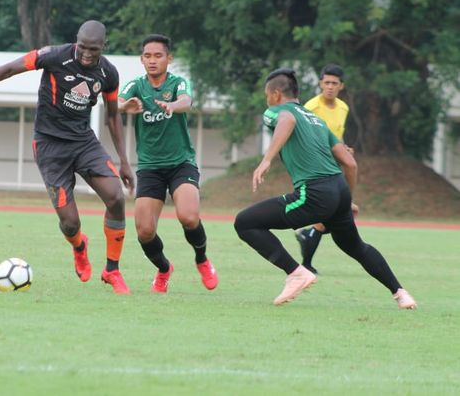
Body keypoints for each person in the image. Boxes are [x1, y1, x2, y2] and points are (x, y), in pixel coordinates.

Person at [0, 20, 135, 294]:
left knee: (116, 197)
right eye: (83, 47)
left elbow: (112, 116)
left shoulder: (108, 73)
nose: (87, 54)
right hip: (50, 146)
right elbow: (8, 69)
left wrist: (123, 160)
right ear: (76, 41)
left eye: (94, 50)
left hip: (84, 143)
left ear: (104, 47)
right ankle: (79, 246)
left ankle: (112, 269)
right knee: (70, 222)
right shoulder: (53, 56)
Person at [233, 68, 416, 309]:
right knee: (354, 246)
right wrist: (348, 200)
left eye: (267, 95)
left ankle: (296, 273)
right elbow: (349, 163)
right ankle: (401, 293)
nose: (267, 100)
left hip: (314, 192)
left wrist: (267, 159)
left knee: (244, 222)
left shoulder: (277, 111)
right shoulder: (316, 120)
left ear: (276, 94)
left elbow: (287, 120)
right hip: (339, 189)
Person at [118, 34, 218, 293]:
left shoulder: (178, 84)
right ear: (142, 59)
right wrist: (124, 106)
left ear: (168, 59)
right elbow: (116, 102)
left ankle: (202, 260)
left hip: (180, 163)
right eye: (148, 56)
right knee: (144, 231)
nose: (152, 60)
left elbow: (187, 101)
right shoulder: (136, 86)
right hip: (150, 167)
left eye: (158, 55)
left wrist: (173, 105)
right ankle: (163, 269)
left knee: (188, 216)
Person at [295, 64, 352, 274]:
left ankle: (306, 251)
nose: (330, 87)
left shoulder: (343, 108)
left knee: (327, 217)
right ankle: (306, 261)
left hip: (333, 166)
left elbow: (336, 136)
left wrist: (343, 149)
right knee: (326, 214)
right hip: (315, 167)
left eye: (334, 83)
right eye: (326, 82)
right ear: (320, 84)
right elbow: (304, 139)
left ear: (341, 86)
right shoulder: (310, 107)